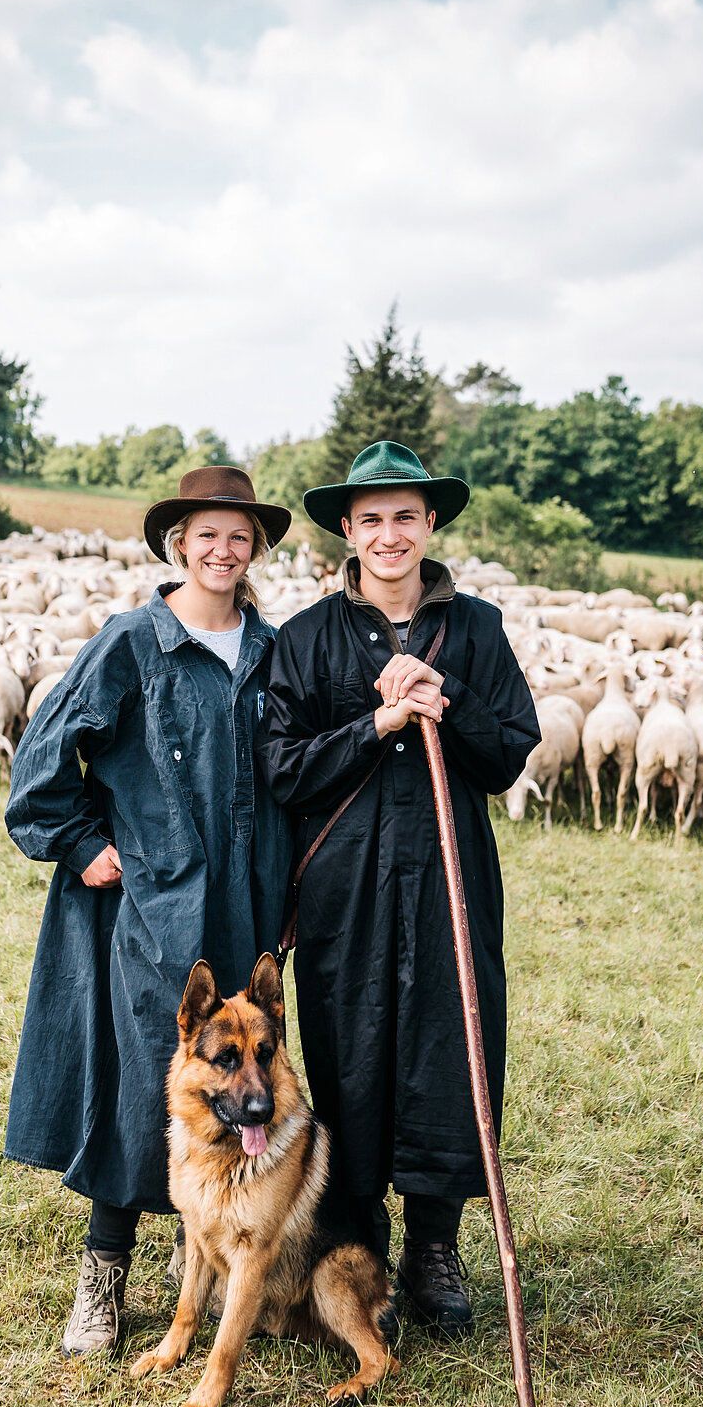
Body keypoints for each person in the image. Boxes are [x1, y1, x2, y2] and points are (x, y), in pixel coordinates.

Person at [3, 467, 293, 1356]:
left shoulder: (270, 649)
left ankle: (194, 1249)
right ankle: (102, 1275)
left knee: (237, 1084)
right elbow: (47, 754)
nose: (222, 548)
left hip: (247, 905)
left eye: (238, 535)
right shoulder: (133, 641)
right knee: (141, 1085)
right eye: (206, 533)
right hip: (154, 911)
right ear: (178, 543)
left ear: (255, 548)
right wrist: (82, 841)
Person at [257, 442, 540, 1336]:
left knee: (449, 1051)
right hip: (347, 891)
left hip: (450, 877)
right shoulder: (305, 638)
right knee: (351, 1048)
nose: (389, 534)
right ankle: (356, 1239)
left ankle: (435, 1247)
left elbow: (507, 756)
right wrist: (378, 722)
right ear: (347, 528)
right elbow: (281, 770)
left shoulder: (479, 631)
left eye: (405, 516)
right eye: (371, 518)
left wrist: (443, 696)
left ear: (430, 525)